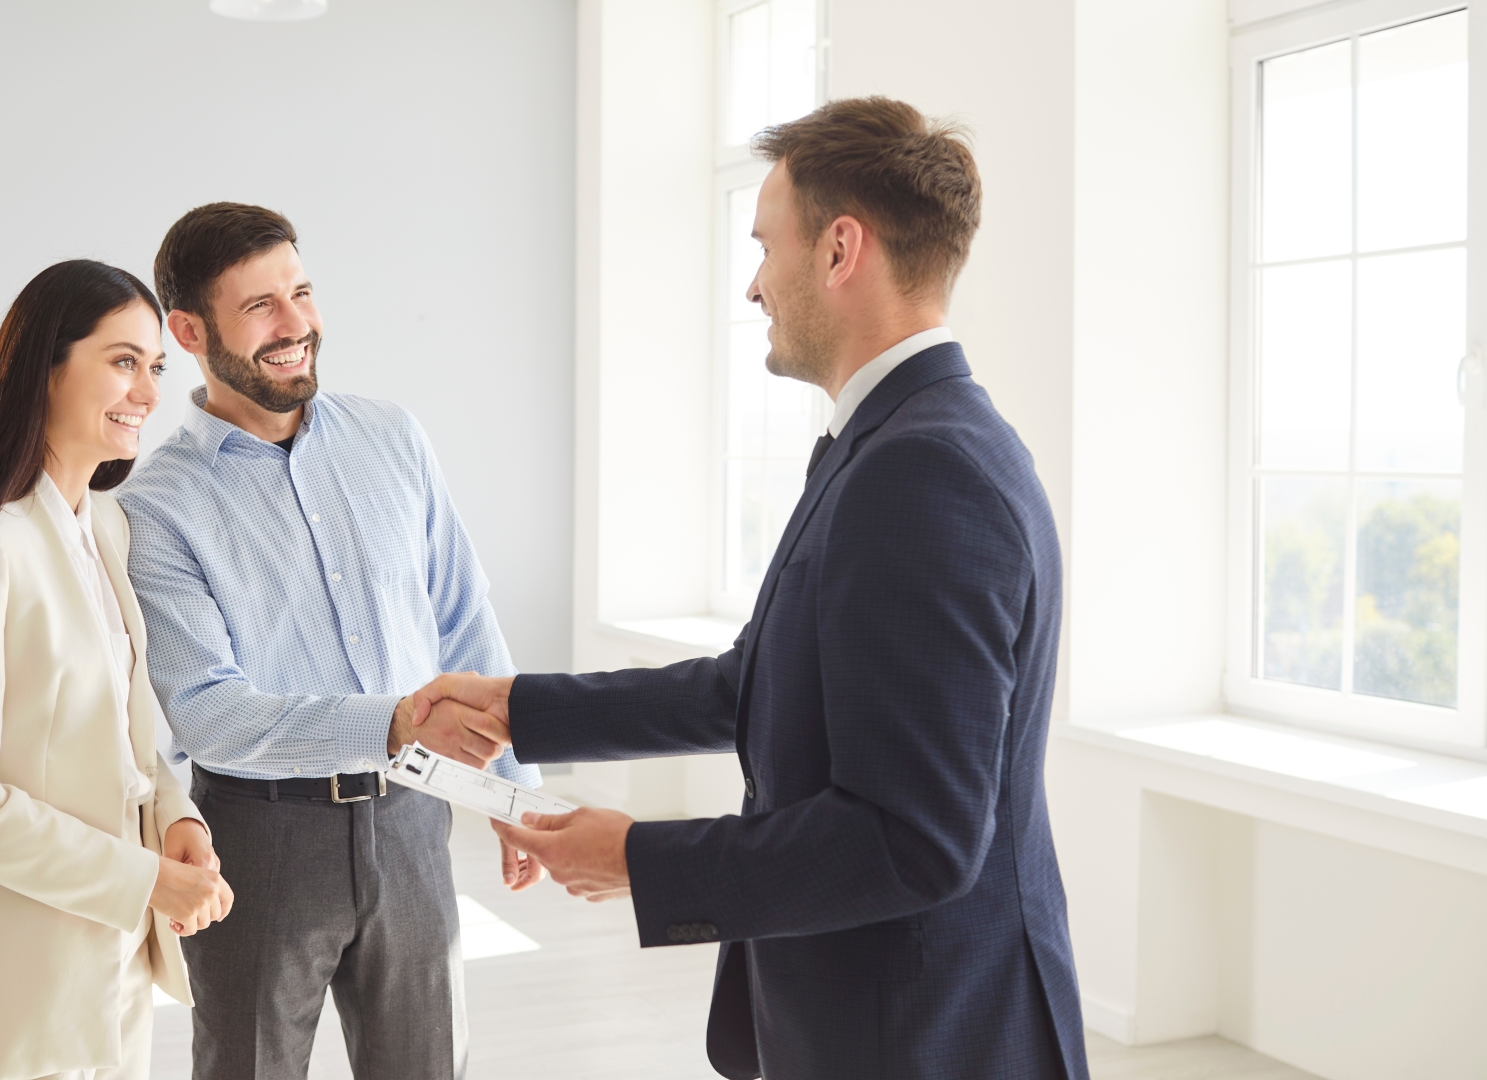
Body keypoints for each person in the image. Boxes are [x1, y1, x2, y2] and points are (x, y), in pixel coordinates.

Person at [414, 98, 1091, 1079]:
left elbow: (916, 840)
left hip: (923, 1033)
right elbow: (758, 683)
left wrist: (641, 861)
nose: (753, 284)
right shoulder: (890, 444)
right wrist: (519, 710)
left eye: (765, 246)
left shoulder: (924, 472)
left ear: (839, 249)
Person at [115, 202, 534, 1080]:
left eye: (300, 293)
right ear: (190, 330)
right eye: (260, 305)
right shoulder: (157, 506)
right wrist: (399, 721)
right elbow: (211, 714)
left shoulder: (392, 437)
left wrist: (511, 791)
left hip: (415, 820)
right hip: (260, 842)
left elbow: (462, 617)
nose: (297, 324)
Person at [0, 259, 236, 1080]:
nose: (146, 390)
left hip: (110, 971)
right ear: (44, 368)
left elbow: (129, 742)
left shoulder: (105, 526)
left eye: (154, 367)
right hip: (8, 986)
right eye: (120, 361)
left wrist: (178, 821)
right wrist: (144, 878)